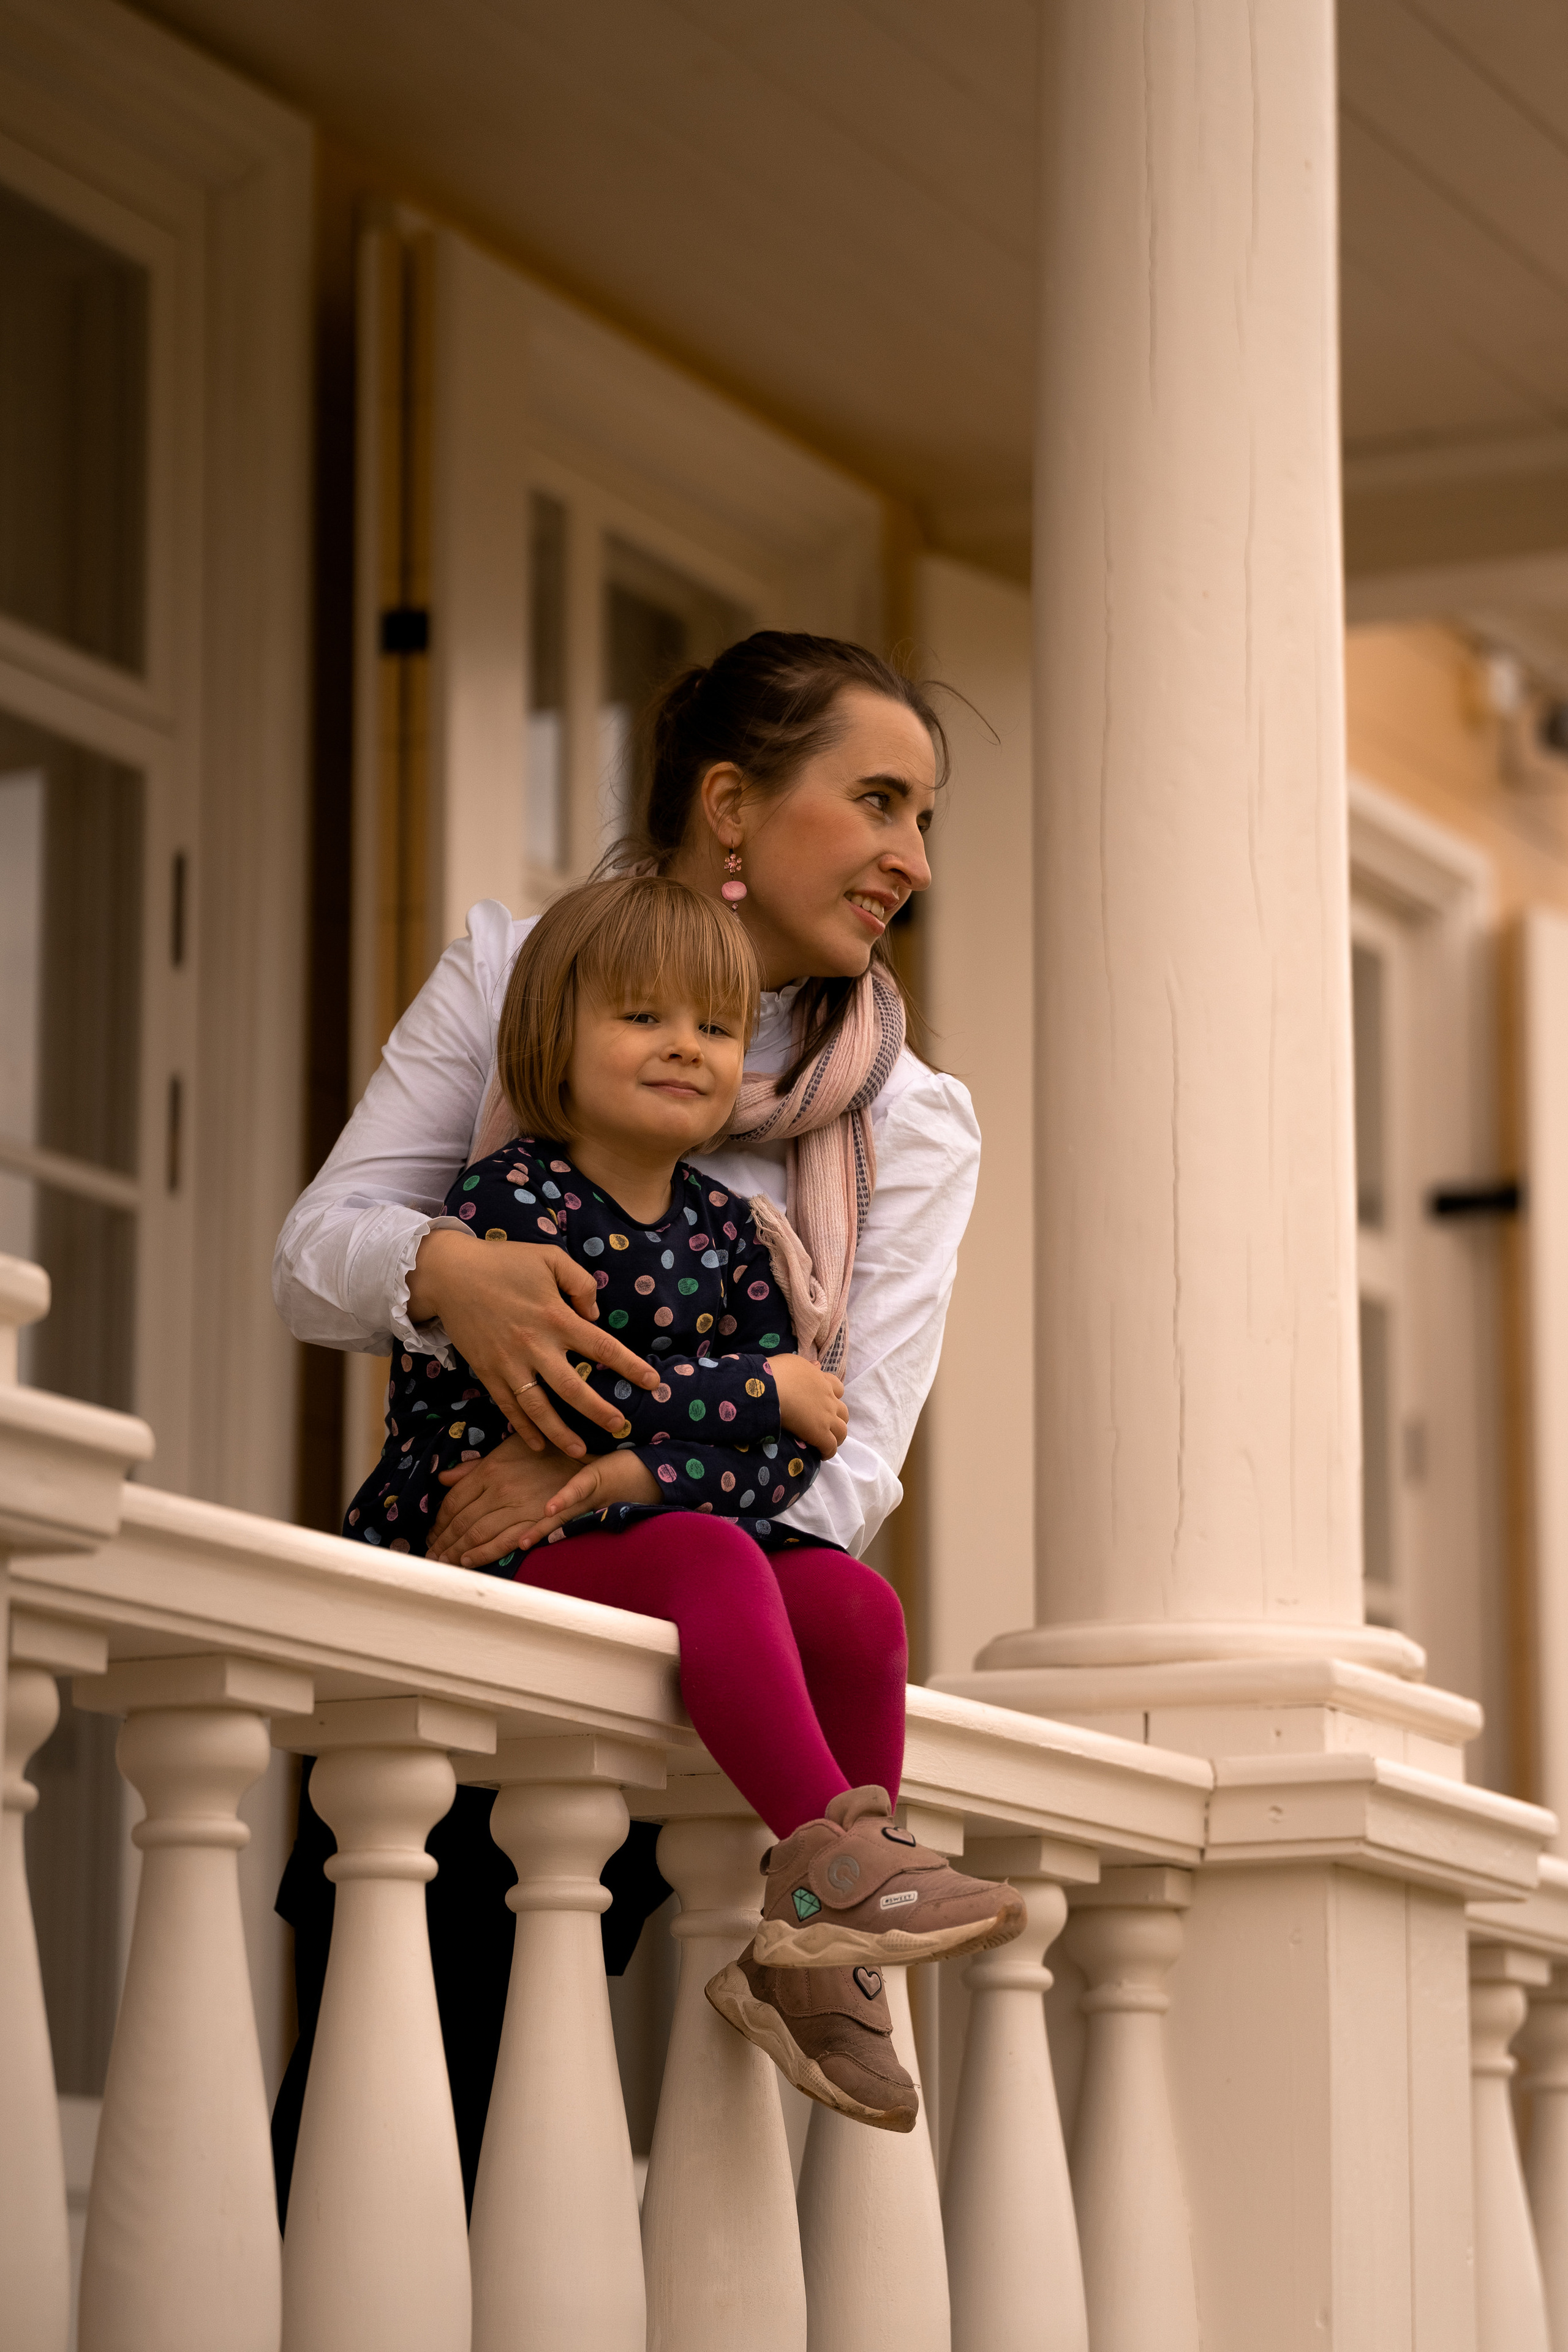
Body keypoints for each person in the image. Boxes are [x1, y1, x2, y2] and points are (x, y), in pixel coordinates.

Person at [271, 633, 990, 2179]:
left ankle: (830, 1926)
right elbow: (312, 1260)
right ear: (729, 804)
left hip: (673, 1679)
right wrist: (447, 1270)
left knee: (541, 2156)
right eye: (875, 802)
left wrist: (611, 1477)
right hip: (465, 1632)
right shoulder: (523, 978)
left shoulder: (907, 1121)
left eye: (922, 820)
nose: (908, 860)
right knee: (371, 2135)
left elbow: (845, 1460)